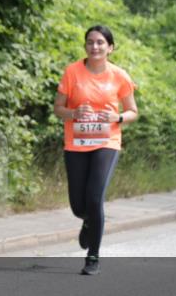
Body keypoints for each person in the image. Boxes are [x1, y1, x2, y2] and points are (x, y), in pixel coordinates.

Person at [53, 25, 138, 276]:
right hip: (76, 143)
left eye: (101, 42)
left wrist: (118, 117)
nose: (95, 46)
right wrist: (73, 113)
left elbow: (133, 111)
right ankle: (88, 220)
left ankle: (93, 257)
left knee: (94, 197)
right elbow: (58, 107)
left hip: (106, 142)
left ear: (110, 47)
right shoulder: (72, 72)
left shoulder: (119, 75)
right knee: (78, 205)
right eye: (90, 42)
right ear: (85, 46)